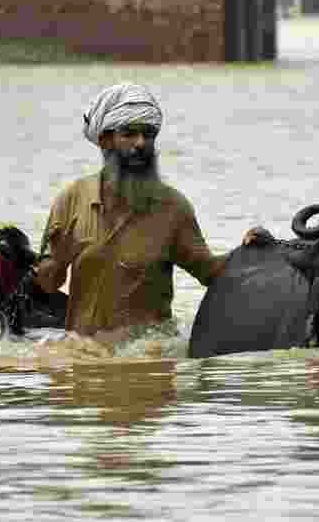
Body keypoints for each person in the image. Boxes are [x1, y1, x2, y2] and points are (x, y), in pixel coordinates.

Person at [33, 82, 259, 341]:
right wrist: (51, 262)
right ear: (105, 140)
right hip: (85, 356)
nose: (141, 143)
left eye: (148, 135)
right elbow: (48, 284)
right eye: (129, 134)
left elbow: (210, 272)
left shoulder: (173, 207)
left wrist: (248, 252)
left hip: (150, 357)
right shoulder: (71, 200)